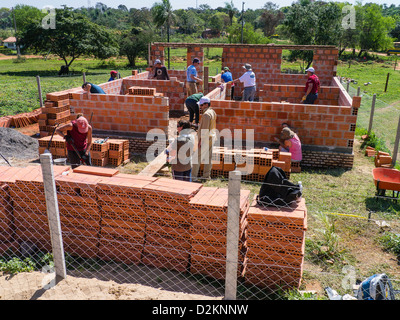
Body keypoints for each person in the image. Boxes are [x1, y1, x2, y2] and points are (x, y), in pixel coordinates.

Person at [192, 96, 217, 181]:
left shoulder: (206, 115)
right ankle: (206, 176)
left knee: (197, 158)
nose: (200, 107)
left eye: (202, 105)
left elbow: (205, 130)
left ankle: (193, 177)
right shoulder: (212, 112)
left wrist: (200, 142)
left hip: (205, 139)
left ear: (206, 104)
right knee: (208, 158)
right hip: (211, 137)